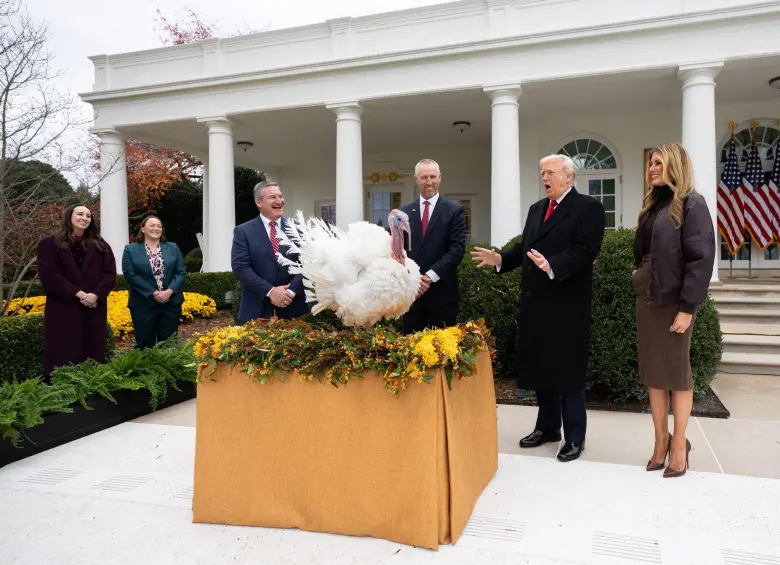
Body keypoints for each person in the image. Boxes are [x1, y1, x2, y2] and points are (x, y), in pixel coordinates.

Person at [471, 154, 605, 462]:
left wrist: (553, 264)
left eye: (550, 172)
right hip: (537, 304)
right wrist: (501, 259)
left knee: (568, 374)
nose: (545, 177)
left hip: (567, 305)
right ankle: (547, 428)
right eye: (543, 172)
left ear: (568, 177)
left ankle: (575, 437)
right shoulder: (537, 209)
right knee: (542, 368)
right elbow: (525, 248)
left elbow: (586, 250)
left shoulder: (588, 208)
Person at [634, 142, 715, 478]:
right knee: (654, 371)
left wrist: (687, 308)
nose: (652, 168)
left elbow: (701, 258)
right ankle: (660, 440)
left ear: (675, 165)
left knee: (677, 373)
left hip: (674, 300)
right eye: (651, 163)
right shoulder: (652, 207)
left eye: (659, 163)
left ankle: (679, 443)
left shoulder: (692, 203)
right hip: (647, 298)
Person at [36, 204, 117, 377]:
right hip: (63, 308)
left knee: (92, 350)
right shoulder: (49, 244)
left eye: (88, 216)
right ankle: (61, 385)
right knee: (63, 350)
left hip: (93, 308)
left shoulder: (101, 246)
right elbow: (50, 276)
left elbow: (109, 274)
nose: (84, 218)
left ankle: (92, 385)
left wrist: (96, 294)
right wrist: (78, 293)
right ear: (69, 217)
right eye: (80, 214)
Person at [400, 159, 467, 333]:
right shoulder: (404, 212)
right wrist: (414, 279)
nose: (429, 182)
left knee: (443, 346)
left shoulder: (454, 210)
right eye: (424, 177)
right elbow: (399, 250)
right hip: (412, 294)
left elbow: (457, 249)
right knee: (410, 345)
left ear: (440, 178)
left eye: (432, 177)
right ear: (416, 179)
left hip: (443, 294)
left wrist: (429, 277)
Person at [231, 181, 308, 323]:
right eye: (273, 197)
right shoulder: (243, 231)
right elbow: (240, 267)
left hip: (293, 308)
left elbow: (308, 263)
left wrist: (290, 291)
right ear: (258, 202)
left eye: (280, 196)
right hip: (256, 309)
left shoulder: (298, 229)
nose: (279, 201)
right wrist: (271, 291)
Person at [121, 215, 187, 349]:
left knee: (169, 346)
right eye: (152, 225)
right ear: (142, 229)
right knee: (144, 345)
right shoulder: (130, 249)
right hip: (143, 304)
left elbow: (181, 272)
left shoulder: (173, 247)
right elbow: (131, 275)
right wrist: (154, 292)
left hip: (170, 303)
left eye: (159, 226)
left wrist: (169, 291)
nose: (156, 228)